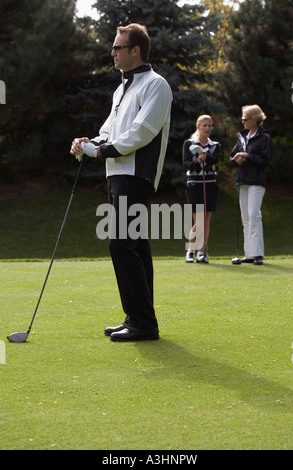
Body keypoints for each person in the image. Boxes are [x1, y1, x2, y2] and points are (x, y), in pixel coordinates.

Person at [70, 23, 173, 341]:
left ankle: (142, 323)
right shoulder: (121, 88)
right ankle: (139, 318)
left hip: (136, 174)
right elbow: (109, 132)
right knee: (136, 246)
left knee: (122, 244)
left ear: (135, 51)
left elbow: (142, 132)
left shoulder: (156, 85)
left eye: (117, 47)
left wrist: (101, 149)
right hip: (117, 174)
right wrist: (88, 143)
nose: (112, 53)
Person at [230, 105, 273, 265]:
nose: (242, 122)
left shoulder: (265, 138)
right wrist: (237, 159)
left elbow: (266, 160)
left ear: (255, 120)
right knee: (246, 218)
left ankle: (257, 254)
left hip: (256, 181)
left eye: (245, 119)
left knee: (254, 216)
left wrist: (248, 155)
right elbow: (232, 155)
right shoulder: (242, 136)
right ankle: (249, 254)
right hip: (243, 181)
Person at [182, 115, 221, 263]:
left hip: (210, 184)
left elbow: (215, 159)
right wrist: (198, 161)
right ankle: (191, 250)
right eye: (204, 125)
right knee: (200, 221)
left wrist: (205, 157)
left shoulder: (215, 145)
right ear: (198, 127)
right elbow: (186, 165)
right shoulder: (189, 143)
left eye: (210, 126)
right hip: (195, 185)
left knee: (207, 220)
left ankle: (200, 253)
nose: (207, 128)